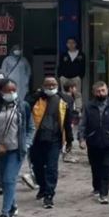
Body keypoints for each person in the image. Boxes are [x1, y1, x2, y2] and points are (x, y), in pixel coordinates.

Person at [0, 79, 34, 217]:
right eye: (7, 91)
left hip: (16, 150)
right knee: (5, 182)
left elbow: (30, 127)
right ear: (0, 92)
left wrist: (27, 143)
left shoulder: (23, 107)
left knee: (9, 179)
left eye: (13, 90)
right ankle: (12, 206)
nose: (11, 93)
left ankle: (4, 214)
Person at [30, 77, 72, 209]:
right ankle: (42, 187)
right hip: (37, 139)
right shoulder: (36, 99)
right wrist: (37, 95)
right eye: (48, 85)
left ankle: (49, 195)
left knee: (52, 167)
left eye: (53, 84)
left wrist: (69, 139)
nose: (51, 87)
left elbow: (67, 122)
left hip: (55, 139)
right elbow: (26, 108)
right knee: (37, 166)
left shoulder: (63, 100)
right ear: (43, 86)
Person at [78, 82, 109, 205]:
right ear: (93, 92)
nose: (101, 93)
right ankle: (97, 187)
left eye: (103, 90)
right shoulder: (88, 106)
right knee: (95, 167)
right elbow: (83, 123)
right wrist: (81, 139)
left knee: (107, 167)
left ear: (107, 90)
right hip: (93, 140)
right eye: (98, 91)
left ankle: (104, 193)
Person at [57, 37, 86, 110]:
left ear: (76, 44)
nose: (71, 45)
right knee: (64, 94)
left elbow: (83, 67)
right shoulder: (64, 55)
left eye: (73, 43)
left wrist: (80, 76)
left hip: (76, 78)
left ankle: (78, 109)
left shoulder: (81, 55)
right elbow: (60, 66)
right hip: (65, 77)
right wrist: (60, 76)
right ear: (66, 44)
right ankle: (65, 109)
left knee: (77, 94)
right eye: (69, 43)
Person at [60, 79, 81, 163]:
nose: (76, 90)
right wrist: (72, 121)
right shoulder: (69, 98)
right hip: (67, 121)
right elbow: (70, 111)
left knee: (65, 137)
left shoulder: (62, 96)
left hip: (64, 120)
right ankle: (67, 155)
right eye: (75, 88)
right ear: (70, 88)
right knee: (67, 138)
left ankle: (66, 154)